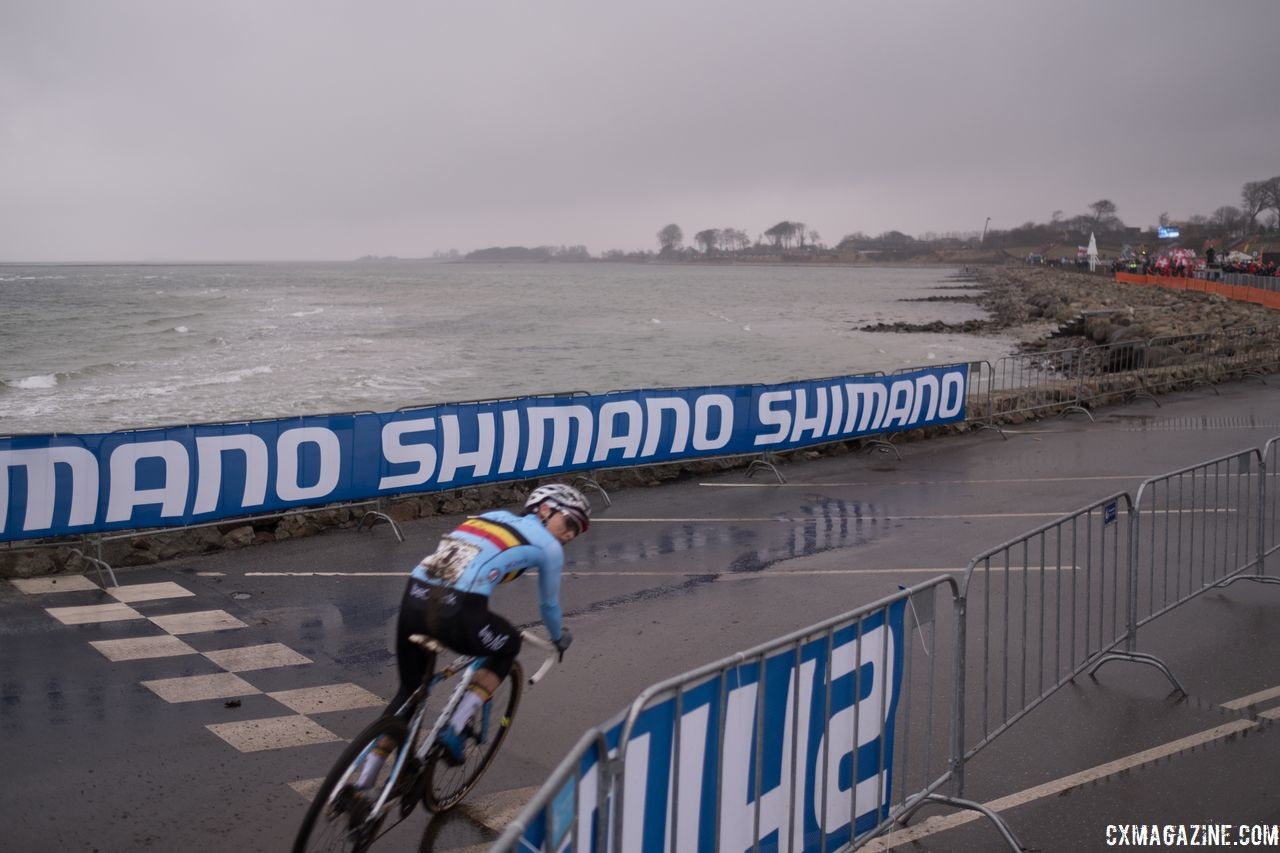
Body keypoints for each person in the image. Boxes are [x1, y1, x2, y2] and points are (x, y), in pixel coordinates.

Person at [357, 483, 588, 786]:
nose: (571, 534)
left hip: (415, 594)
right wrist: (558, 638)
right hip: (459, 608)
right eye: (570, 522)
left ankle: (362, 783)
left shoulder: (491, 516)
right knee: (508, 645)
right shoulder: (549, 547)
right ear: (544, 509)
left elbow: (469, 562)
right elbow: (548, 605)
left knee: (409, 693)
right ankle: (454, 726)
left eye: (578, 530)